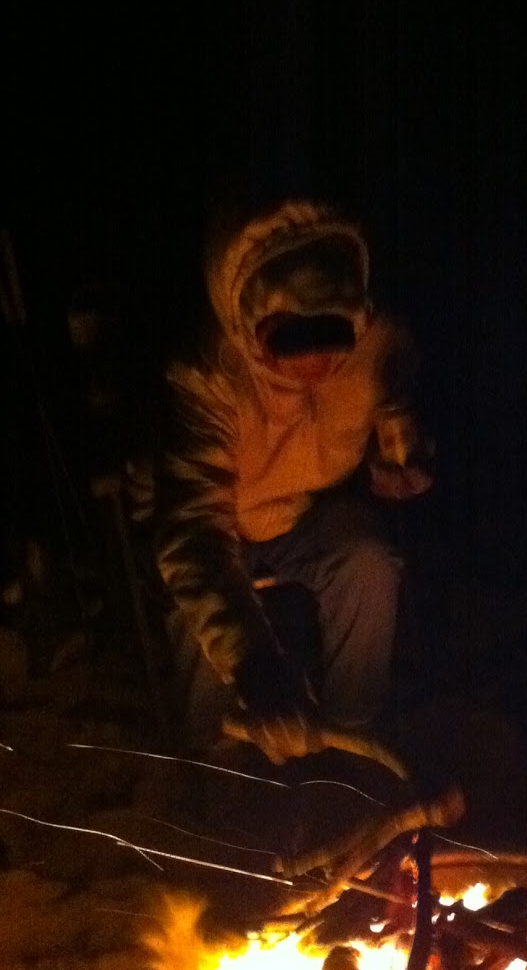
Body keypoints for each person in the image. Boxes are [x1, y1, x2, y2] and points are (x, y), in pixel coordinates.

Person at [155, 199, 432, 762]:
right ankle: (214, 756)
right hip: (223, 525)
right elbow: (193, 532)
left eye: (330, 328)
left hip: (305, 517)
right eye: (287, 334)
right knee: (201, 615)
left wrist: (399, 470)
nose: (313, 357)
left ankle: (350, 734)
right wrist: (258, 668)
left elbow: (401, 429)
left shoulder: (380, 349)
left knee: (369, 562)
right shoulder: (206, 377)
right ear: (249, 318)